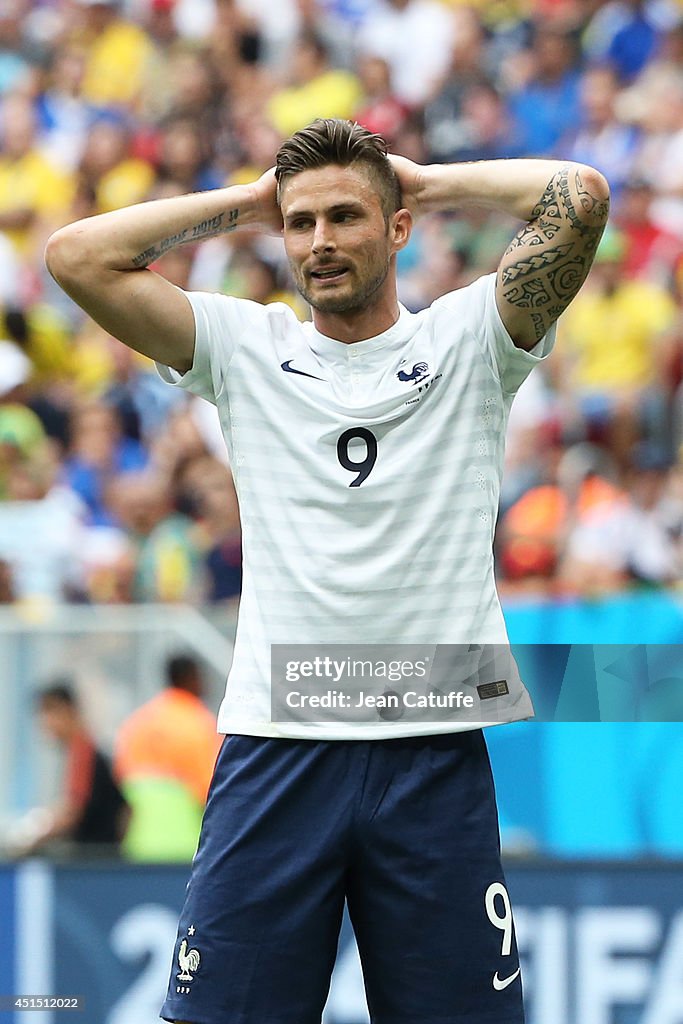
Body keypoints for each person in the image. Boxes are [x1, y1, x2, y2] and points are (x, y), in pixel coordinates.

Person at [45, 118, 609, 1024]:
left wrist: (423, 182)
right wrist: (247, 201)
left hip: (431, 753)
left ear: (396, 228)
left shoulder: (471, 339)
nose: (320, 241)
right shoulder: (242, 346)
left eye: (347, 216)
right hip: (278, 749)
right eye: (300, 223)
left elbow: (579, 198)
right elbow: (77, 256)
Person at [114, 654, 221, 861]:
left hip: (139, 843)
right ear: (192, 678)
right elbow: (210, 789)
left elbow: (122, 781)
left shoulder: (138, 721)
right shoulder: (199, 724)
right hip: (185, 845)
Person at [15, 681, 128, 855]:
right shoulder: (81, 751)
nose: (45, 722)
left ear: (70, 710)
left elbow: (73, 811)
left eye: (50, 711)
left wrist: (30, 837)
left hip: (96, 864)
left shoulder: (83, 752)